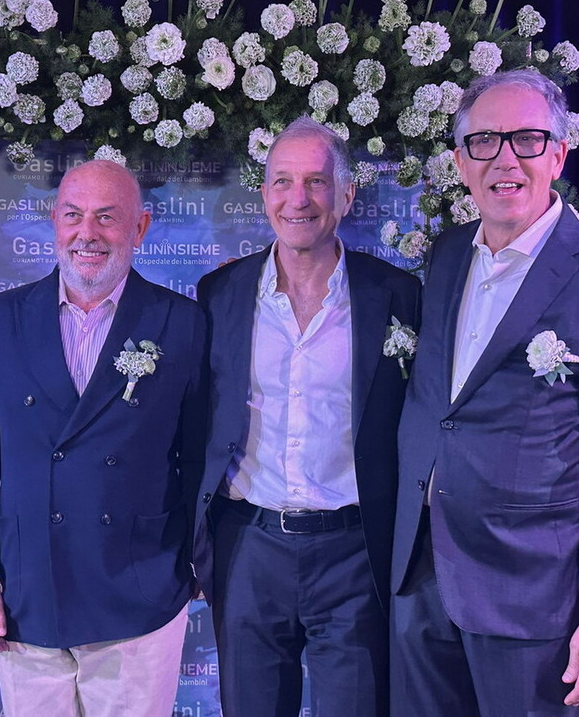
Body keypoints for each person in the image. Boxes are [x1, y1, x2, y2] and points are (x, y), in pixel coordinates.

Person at [390, 70, 579, 716]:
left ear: (558, 155)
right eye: (485, 141)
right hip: (420, 582)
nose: (505, 159)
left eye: (526, 139)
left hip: (533, 597)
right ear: (461, 161)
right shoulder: (446, 257)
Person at [0, 159, 206, 717]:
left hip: (140, 596)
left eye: (107, 217)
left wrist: (195, 564)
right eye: (73, 215)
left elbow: (201, 459)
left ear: (140, 228)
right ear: (54, 221)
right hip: (24, 596)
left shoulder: (182, 322)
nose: (87, 233)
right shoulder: (2, 319)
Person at [193, 116, 421, 717]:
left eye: (317, 181)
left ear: (346, 194)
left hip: (355, 553)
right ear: (264, 194)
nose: (299, 199)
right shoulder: (219, 294)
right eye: (283, 181)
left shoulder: (397, 296)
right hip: (248, 548)